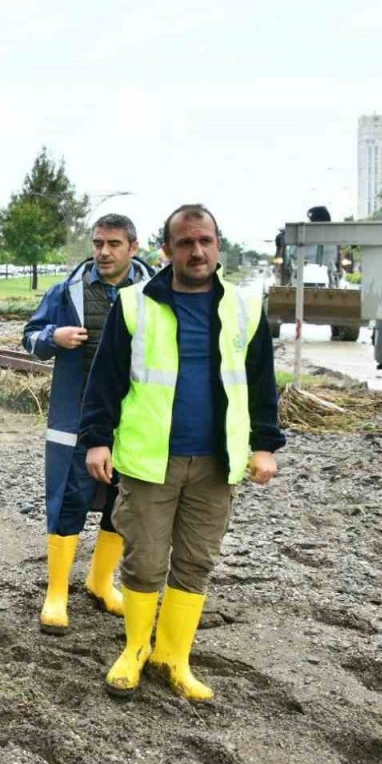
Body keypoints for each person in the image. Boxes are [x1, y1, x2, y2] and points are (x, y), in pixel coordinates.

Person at [80, 204, 284, 702]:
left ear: (218, 245)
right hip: (151, 460)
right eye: (186, 242)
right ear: (167, 250)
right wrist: (98, 439)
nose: (198, 251)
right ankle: (134, 651)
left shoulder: (244, 307)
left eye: (206, 241)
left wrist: (264, 445)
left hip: (218, 462)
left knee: (195, 563)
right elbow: (105, 379)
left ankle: (174, 657)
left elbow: (260, 382)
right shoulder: (134, 305)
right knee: (145, 563)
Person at [23, 215, 154, 634]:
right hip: (75, 419)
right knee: (68, 498)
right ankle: (57, 592)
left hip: (133, 420)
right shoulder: (67, 291)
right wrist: (53, 338)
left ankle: (101, 582)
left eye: (114, 243)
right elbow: (30, 336)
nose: (103, 252)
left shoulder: (156, 293)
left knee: (123, 501)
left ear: (134, 247)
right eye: (98, 243)